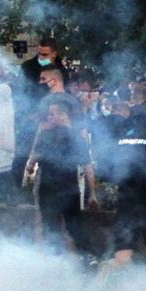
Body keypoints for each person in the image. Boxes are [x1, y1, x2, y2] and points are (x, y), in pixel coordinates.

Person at [30, 96, 101, 258]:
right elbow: (87, 167)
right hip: (68, 189)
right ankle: (87, 260)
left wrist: (30, 166)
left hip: (51, 190)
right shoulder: (78, 138)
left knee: (51, 229)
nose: (49, 117)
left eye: (52, 114)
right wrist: (93, 194)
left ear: (63, 115)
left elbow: (33, 158)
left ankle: (58, 264)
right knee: (75, 228)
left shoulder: (46, 134)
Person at [102, 100, 146, 277]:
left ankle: (104, 275)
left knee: (122, 257)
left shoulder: (120, 141)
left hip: (125, 203)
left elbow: (110, 171)